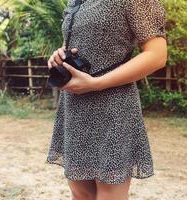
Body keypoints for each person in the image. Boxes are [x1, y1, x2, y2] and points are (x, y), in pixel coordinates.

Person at [46, 0, 168, 199]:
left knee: (110, 194)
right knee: (80, 193)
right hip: (75, 107)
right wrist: (60, 54)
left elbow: (157, 55)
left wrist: (96, 83)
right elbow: (84, 43)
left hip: (114, 106)